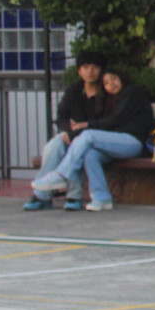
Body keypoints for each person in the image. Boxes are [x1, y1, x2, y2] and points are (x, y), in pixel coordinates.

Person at [28, 65, 155, 212]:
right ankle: (101, 198)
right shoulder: (110, 100)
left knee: (88, 136)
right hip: (116, 143)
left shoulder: (132, 92)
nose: (111, 84)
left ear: (121, 78)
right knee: (90, 155)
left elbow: (116, 119)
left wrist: (84, 127)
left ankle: (61, 175)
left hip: (133, 142)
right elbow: (105, 125)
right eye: (106, 83)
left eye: (114, 79)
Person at [26, 51, 108, 212]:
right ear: (79, 71)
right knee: (53, 146)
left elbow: (106, 122)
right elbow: (62, 117)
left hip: (95, 138)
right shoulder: (74, 90)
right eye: (85, 67)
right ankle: (42, 196)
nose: (90, 71)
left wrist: (75, 134)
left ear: (101, 70)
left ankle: (74, 196)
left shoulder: (107, 92)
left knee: (78, 149)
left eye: (95, 67)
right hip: (72, 134)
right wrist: (67, 131)